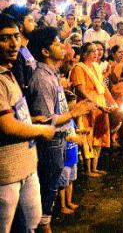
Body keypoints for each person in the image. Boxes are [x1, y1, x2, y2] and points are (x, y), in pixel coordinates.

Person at [27, 27, 95, 232]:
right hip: (52, 141)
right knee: (48, 184)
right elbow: (47, 120)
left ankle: (46, 222)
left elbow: (58, 110)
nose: (62, 46)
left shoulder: (52, 74)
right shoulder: (42, 78)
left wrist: (72, 126)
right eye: (57, 43)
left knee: (54, 183)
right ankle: (43, 226)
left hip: (61, 138)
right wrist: (75, 114)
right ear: (45, 51)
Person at [0, 13, 55, 233]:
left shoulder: (9, 73)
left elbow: (14, 116)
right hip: (7, 173)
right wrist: (40, 129)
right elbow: (6, 125)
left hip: (27, 166)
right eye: (4, 38)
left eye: (15, 36)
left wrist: (31, 120)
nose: (14, 44)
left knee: (31, 225)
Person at [70, 42, 118, 177]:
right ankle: (88, 170)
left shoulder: (96, 67)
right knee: (88, 137)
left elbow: (102, 87)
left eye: (97, 50)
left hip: (100, 105)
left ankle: (95, 167)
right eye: (93, 51)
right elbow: (81, 91)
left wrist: (112, 102)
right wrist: (97, 105)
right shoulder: (79, 68)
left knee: (99, 136)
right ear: (85, 54)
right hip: (87, 107)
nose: (96, 53)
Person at [2, 5, 37, 96]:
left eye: (16, 36)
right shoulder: (14, 54)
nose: (35, 24)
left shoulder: (24, 48)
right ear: (20, 26)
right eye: (30, 21)